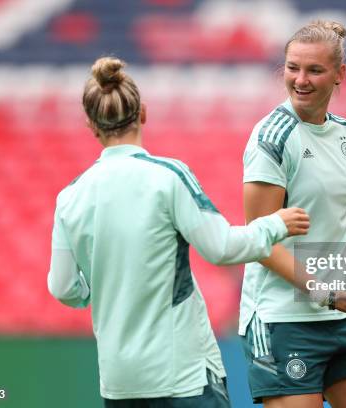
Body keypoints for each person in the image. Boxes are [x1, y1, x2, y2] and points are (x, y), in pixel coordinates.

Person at [47, 56, 311, 408]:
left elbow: (63, 287)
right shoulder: (167, 177)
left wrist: (93, 292)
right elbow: (220, 248)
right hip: (181, 375)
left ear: (91, 125)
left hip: (119, 382)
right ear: (142, 112)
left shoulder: (70, 197)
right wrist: (275, 224)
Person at [239, 21, 346, 407]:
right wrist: (328, 293)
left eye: (314, 70)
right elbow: (259, 242)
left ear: (340, 74)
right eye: (293, 68)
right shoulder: (272, 138)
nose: (300, 80)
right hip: (282, 320)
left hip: (344, 314)